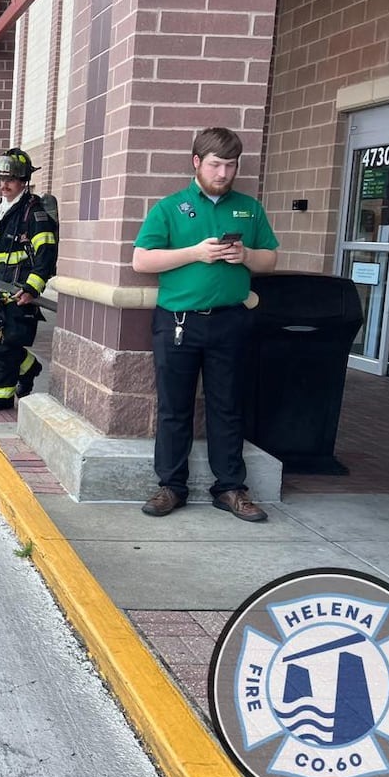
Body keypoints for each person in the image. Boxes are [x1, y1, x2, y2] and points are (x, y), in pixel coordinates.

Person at [132, 127, 278, 523]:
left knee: (227, 406)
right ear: (197, 162)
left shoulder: (249, 208)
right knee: (174, 408)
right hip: (177, 321)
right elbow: (141, 261)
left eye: (231, 165)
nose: (224, 172)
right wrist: (195, 253)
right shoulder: (170, 207)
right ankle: (170, 487)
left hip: (231, 321)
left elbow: (270, 261)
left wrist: (245, 254)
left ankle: (230, 488)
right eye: (216, 164)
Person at [0, 148, 59, 412]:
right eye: (0, 179)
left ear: (23, 181)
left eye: (10, 179)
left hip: (16, 291)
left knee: (2, 346)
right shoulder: (0, 210)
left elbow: (46, 254)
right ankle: (29, 367)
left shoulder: (33, 213)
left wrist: (32, 288)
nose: (4, 185)